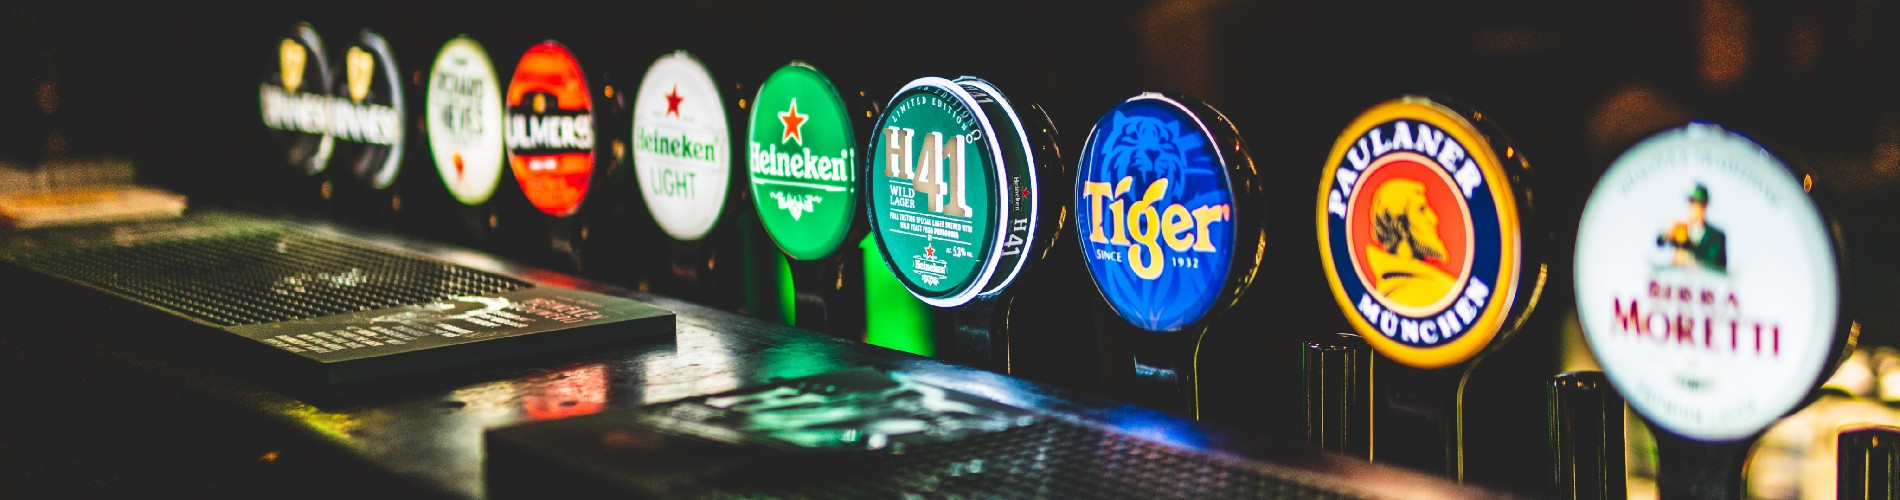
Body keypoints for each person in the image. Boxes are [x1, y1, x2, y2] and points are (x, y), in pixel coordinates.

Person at [1364, 179, 1457, 307]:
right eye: (1422, 210)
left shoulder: (1431, 286)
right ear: (1401, 226)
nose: (1433, 219)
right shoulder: (1405, 295)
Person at [1658, 184, 1727, 272]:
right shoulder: (1682, 229)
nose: (1694, 208)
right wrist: (1668, 233)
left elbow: (1716, 263)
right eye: (1692, 203)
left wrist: (1690, 253)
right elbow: (1659, 241)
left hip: (1704, 282)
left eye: (1698, 204)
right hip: (1679, 281)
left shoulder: (1717, 236)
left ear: (1705, 207)